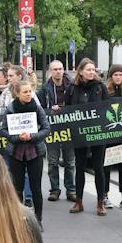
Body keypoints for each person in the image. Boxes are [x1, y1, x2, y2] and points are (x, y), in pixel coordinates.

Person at [1, 76, 50, 226]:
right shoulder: (11, 108)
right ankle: (18, 219)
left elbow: (47, 129)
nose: (29, 94)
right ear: (17, 94)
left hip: (34, 152)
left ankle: (38, 219)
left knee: (36, 187)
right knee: (17, 188)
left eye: (30, 91)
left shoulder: (37, 107)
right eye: (25, 92)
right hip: (16, 152)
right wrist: (17, 138)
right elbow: (4, 130)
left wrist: (32, 136)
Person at [68, 58, 109, 216]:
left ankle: (100, 202)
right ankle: (79, 201)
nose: (92, 72)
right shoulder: (72, 88)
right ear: (80, 71)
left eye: (93, 69)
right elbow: (68, 109)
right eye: (88, 70)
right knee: (80, 167)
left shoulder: (100, 87)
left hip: (98, 133)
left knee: (99, 167)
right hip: (79, 134)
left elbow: (107, 107)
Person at [39, 59, 73, 201]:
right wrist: (49, 111)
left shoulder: (72, 86)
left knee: (70, 162)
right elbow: (39, 109)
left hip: (69, 129)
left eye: (60, 69)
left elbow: (78, 104)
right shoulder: (44, 89)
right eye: (55, 69)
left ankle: (71, 190)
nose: (58, 71)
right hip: (52, 130)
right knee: (52, 162)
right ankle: (54, 189)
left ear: (63, 70)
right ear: (50, 71)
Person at [102, 65, 122, 210]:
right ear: (111, 77)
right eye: (115, 75)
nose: (118, 77)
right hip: (109, 135)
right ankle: (105, 195)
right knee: (107, 166)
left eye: (120, 74)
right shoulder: (105, 92)